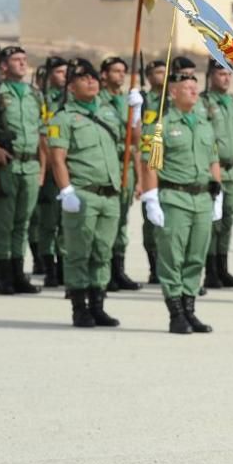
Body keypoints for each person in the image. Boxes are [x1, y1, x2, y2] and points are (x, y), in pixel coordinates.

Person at [140, 70, 223, 334]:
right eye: (187, 87)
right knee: (172, 258)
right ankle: (176, 313)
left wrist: (217, 193)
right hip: (174, 197)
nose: (194, 92)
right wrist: (150, 197)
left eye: (195, 87)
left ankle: (190, 309)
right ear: (173, 92)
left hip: (202, 198)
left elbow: (213, 160)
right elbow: (149, 164)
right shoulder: (160, 125)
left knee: (196, 257)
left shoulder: (204, 123)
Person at [47, 59, 124, 328]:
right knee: (79, 252)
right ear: (70, 86)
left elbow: (130, 145)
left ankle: (98, 305)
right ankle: (80, 307)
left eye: (93, 77)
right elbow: (57, 158)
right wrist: (66, 190)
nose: (91, 81)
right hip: (83, 193)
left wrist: (136, 113)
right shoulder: (63, 118)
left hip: (109, 194)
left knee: (103, 251)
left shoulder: (109, 113)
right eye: (83, 78)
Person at [0, 45, 46, 295]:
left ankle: (19, 273)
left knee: (23, 222)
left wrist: (41, 168)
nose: (22, 63)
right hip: (6, 164)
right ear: (4, 66)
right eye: (16, 60)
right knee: (3, 223)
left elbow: (41, 131)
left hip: (29, 164)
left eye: (24, 59)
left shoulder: (33, 94)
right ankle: (4, 274)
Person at [201, 59, 233, 289]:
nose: (226, 78)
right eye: (221, 74)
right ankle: (210, 270)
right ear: (210, 75)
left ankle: (223, 267)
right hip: (214, 170)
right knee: (213, 222)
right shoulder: (203, 103)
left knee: (228, 220)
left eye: (229, 74)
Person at [98, 56, 144, 292]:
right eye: (115, 71)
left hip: (125, 169)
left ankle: (118, 269)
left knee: (122, 223)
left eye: (123, 71)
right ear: (104, 74)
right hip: (107, 168)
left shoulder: (127, 101)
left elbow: (135, 142)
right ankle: (103, 272)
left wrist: (136, 113)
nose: (120, 75)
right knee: (107, 223)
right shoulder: (98, 101)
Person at [30, 56, 67, 282]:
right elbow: (40, 135)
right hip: (46, 166)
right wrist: (43, 169)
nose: (63, 76)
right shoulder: (39, 99)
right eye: (59, 72)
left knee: (65, 221)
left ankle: (63, 264)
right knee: (47, 221)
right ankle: (47, 265)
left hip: (66, 166)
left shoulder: (70, 99)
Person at [140, 59, 166, 283]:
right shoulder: (143, 100)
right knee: (150, 221)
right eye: (158, 72)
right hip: (146, 163)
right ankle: (153, 266)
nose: (163, 75)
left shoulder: (172, 98)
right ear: (148, 76)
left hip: (170, 164)